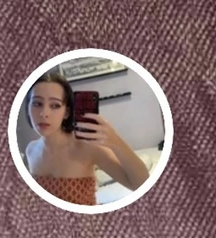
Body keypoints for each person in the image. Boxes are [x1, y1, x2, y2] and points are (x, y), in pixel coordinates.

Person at [24, 73, 150, 205]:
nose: (44, 113)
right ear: (28, 108)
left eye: (55, 105)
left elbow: (142, 185)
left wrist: (115, 141)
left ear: (66, 112)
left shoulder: (87, 147)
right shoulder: (30, 150)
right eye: (37, 103)